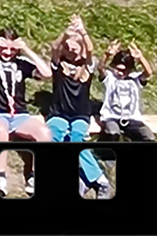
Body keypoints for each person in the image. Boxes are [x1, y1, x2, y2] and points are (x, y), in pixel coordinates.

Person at [0, 25, 51, 197]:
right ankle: (0, 176)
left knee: (44, 133)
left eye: (12, 49)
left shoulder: (21, 64)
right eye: (4, 48)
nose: (8, 52)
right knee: (1, 130)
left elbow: (47, 74)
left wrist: (26, 49)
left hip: (18, 114)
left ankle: (34, 176)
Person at [44, 15, 111, 196]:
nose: (70, 51)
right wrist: (65, 35)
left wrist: (82, 32)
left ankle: (99, 179)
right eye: (67, 48)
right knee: (53, 137)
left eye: (74, 49)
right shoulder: (58, 65)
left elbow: (90, 50)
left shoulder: (87, 67)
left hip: (80, 114)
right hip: (59, 113)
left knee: (76, 140)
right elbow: (54, 48)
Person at [98, 41, 157, 142]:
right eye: (119, 69)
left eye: (125, 70)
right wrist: (106, 55)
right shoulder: (110, 78)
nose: (121, 73)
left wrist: (141, 58)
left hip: (132, 118)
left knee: (148, 137)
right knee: (112, 133)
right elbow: (100, 68)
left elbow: (148, 73)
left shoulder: (135, 79)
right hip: (112, 116)